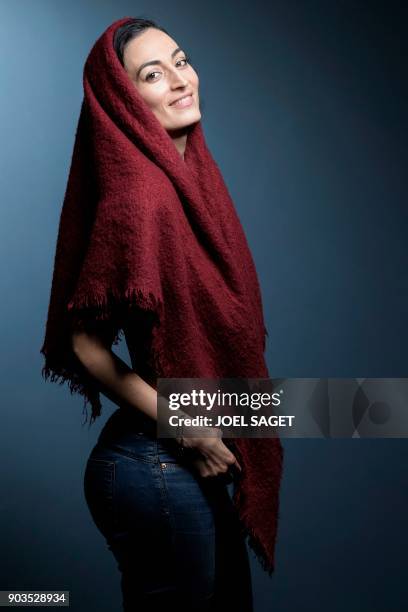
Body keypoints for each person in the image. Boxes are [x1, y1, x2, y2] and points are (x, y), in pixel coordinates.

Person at [40, 15, 283, 612]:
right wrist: (189, 425)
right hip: (156, 462)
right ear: (125, 101)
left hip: (175, 458)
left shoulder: (195, 181)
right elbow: (85, 345)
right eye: (153, 74)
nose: (180, 80)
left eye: (181, 60)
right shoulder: (140, 198)